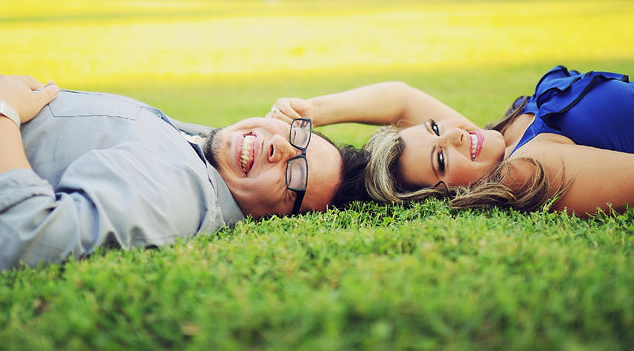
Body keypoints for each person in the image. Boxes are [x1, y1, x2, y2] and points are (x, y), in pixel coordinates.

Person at [0, 74, 365, 274]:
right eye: (300, 138)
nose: (281, 147)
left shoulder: (177, 192)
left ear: (274, 218)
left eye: (296, 177)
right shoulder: (202, 152)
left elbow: (16, 243)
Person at [267, 66, 634, 217]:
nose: (456, 134)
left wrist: (313, 108)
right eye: (441, 160)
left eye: (435, 129)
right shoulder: (527, 167)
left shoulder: (497, 144)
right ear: (449, 194)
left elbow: (400, 98)